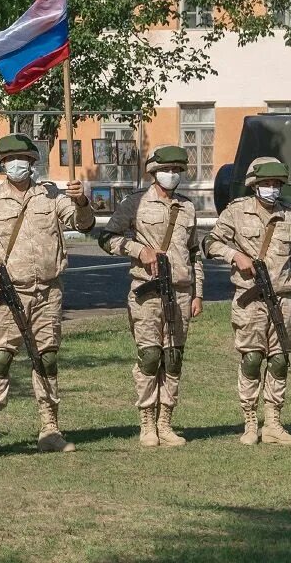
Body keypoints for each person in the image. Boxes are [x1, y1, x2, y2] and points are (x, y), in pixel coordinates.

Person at [0, 134, 93, 454]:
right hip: (7, 292)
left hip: (47, 292)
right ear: (2, 164)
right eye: (12, 160)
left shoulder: (51, 197)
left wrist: (82, 201)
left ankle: (49, 428)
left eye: (25, 160)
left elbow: (83, 224)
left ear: (33, 162)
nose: (19, 165)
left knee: (47, 358)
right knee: (0, 358)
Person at [94, 145, 202, 447]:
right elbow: (107, 238)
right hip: (147, 292)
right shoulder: (135, 203)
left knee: (173, 357)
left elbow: (194, 253)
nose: (172, 175)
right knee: (151, 355)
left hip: (180, 292)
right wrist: (138, 250)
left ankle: (166, 423)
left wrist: (198, 294)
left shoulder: (188, 207)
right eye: (167, 170)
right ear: (154, 172)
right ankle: (146, 422)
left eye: (177, 170)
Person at [204, 156, 291, 447]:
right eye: (266, 184)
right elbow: (209, 243)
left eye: (276, 184)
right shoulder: (236, 212)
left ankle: (274, 422)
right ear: (254, 185)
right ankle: (250, 421)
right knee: (252, 358)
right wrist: (235, 255)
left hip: (284, 299)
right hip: (250, 301)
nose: (272, 189)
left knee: (279, 360)